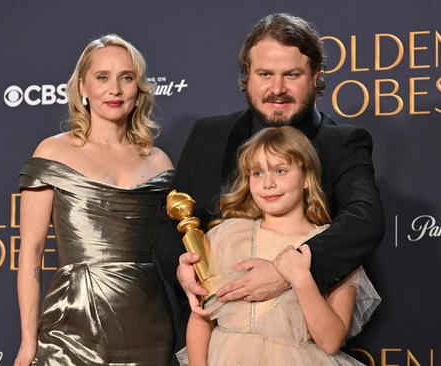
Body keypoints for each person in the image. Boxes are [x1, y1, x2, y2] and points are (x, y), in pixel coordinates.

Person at [154, 13, 384, 353]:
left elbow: (364, 221)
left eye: (291, 75)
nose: (277, 89)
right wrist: (182, 269)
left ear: (316, 76)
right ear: (247, 76)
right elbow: (167, 221)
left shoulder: (343, 143)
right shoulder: (209, 135)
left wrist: (286, 271)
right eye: (265, 74)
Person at [14, 34, 174, 366]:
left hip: (147, 322)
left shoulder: (159, 162)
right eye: (102, 77)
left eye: (126, 77)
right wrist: (28, 340)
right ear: (83, 88)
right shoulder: (52, 153)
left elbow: (174, 246)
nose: (114, 89)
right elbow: (30, 253)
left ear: (138, 89)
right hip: (74, 321)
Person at [181, 127, 380, 365]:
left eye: (281, 170)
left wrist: (300, 278)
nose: (268, 183)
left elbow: (330, 340)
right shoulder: (227, 237)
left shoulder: (332, 246)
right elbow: (201, 318)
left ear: (306, 177)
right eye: (257, 173)